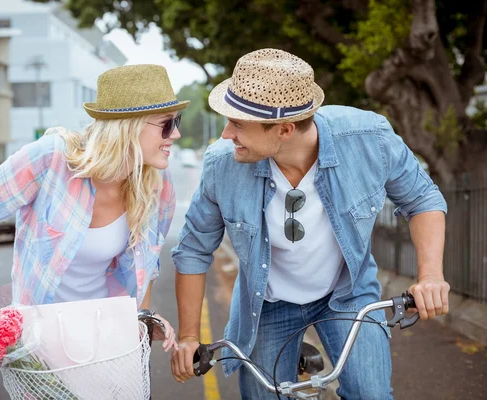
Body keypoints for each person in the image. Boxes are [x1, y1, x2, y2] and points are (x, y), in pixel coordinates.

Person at [170, 49, 449, 399]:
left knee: (370, 394)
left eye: (238, 123)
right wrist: (189, 337)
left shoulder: (369, 139)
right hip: (266, 304)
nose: (227, 134)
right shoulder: (221, 165)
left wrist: (431, 276)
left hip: (346, 294)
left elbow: (423, 199)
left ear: (285, 129)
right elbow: (194, 250)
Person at [0, 64, 187, 356]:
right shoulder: (53, 159)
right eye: (167, 123)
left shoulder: (158, 186)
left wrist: (141, 322)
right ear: (127, 126)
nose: (176, 134)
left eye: (176, 121)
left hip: (112, 344)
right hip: (43, 349)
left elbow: (146, 269)